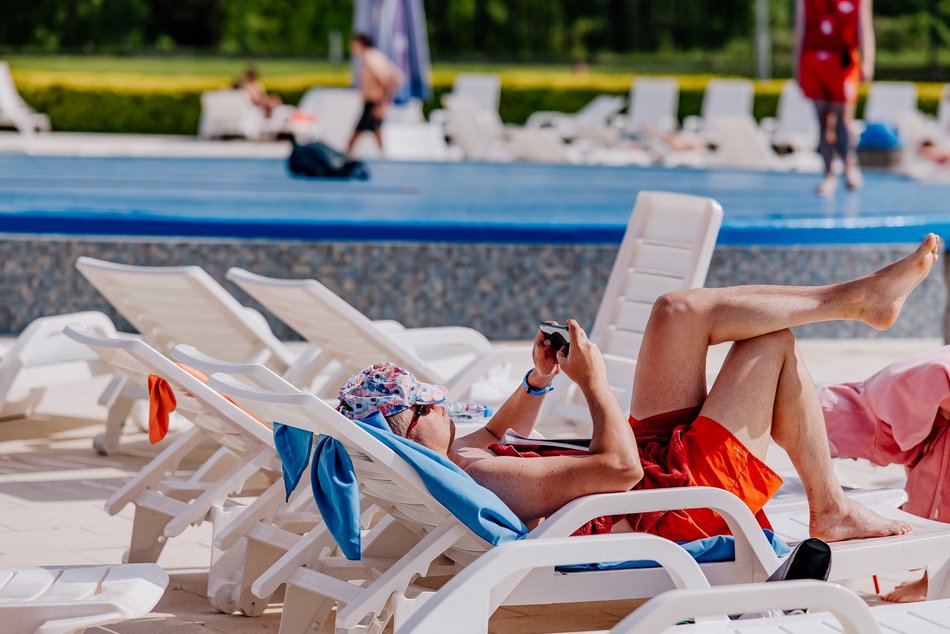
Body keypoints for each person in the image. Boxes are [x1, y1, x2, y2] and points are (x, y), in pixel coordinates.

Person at [337, 234, 940, 545]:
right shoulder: (480, 478)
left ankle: (857, 299)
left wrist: (539, 379)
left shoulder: (452, 456)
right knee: (769, 346)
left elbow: (495, 432)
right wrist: (595, 386)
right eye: (425, 401)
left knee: (675, 310)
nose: (439, 400)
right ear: (411, 425)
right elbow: (618, 471)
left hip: (658, 478)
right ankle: (829, 509)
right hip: (676, 508)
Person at [795, 0, 876, 195]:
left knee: (844, 119)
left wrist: (868, 61)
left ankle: (850, 164)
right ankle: (828, 173)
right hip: (814, 58)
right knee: (823, 121)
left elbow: (864, 26)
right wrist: (797, 66)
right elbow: (800, 28)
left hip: (843, 60)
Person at [347, 33, 404, 155]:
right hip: (374, 102)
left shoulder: (369, 57)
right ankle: (384, 156)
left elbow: (386, 79)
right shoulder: (376, 55)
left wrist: (382, 103)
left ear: (360, 44)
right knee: (376, 132)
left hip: (374, 102)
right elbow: (396, 77)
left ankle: (344, 157)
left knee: (356, 133)